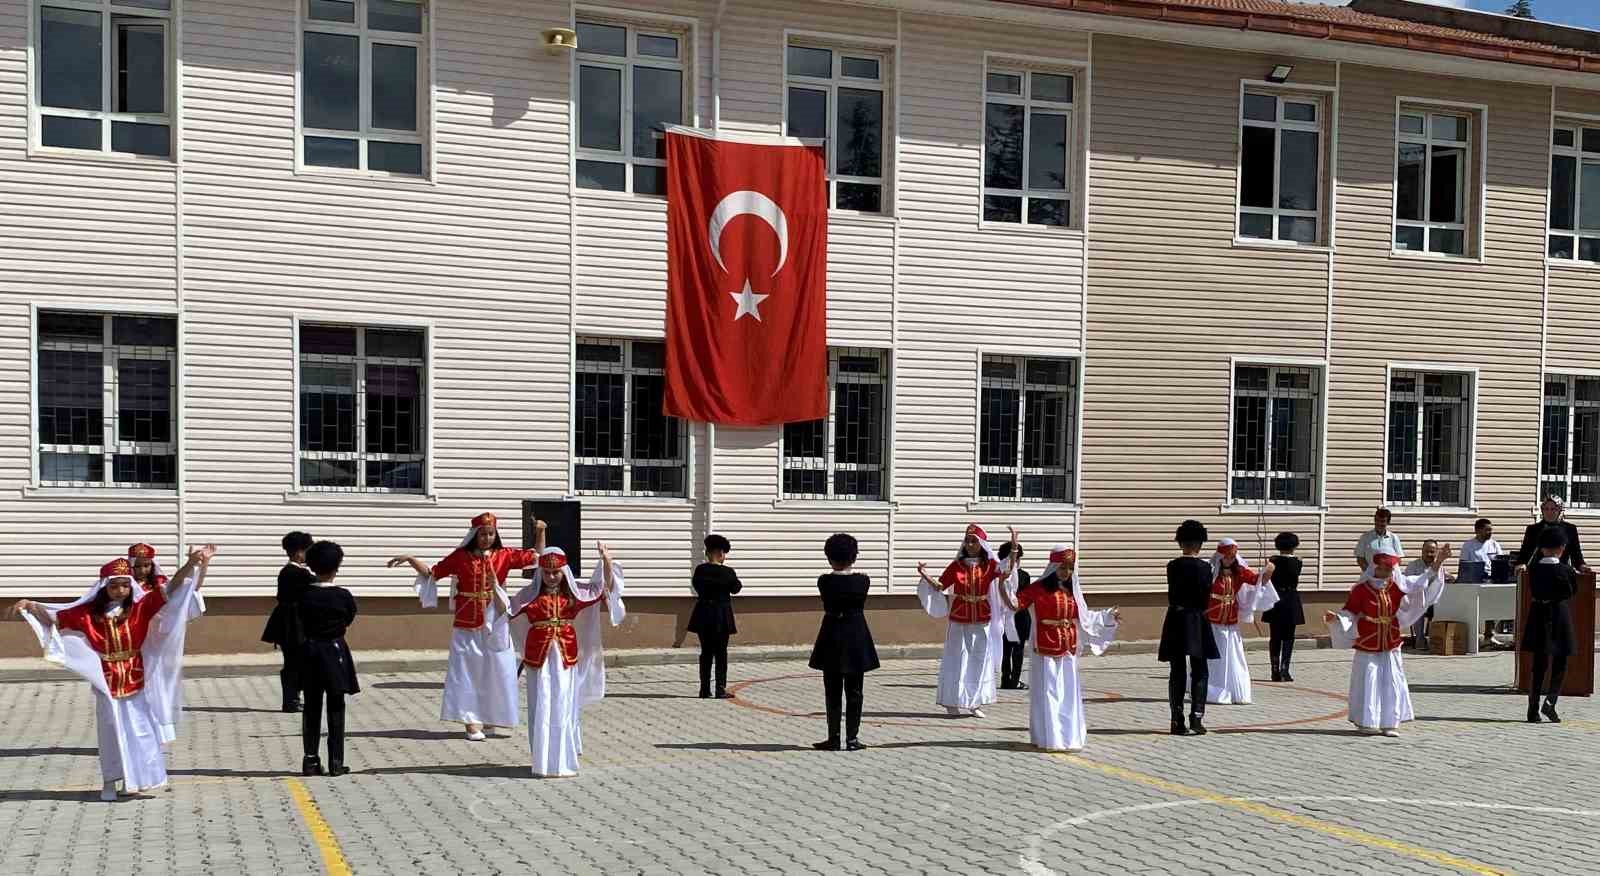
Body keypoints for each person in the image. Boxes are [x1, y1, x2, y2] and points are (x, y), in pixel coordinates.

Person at [8, 545, 216, 800]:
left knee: (140, 729)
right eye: (115, 586)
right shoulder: (86, 614)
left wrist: (193, 564)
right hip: (106, 679)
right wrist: (30, 606)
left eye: (125, 585)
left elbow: (171, 589)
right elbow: (55, 618)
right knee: (111, 732)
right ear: (104, 587)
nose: (120, 591)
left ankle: (140, 779)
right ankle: (111, 780)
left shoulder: (141, 607)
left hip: (135, 675)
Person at [389, 513, 546, 741]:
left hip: (496, 620)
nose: (487, 538)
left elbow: (537, 557)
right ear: (474, 534)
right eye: (483, 534)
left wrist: (540, 532)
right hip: (467, 622)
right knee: (467, 671)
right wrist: (411, 559)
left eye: (491, 534)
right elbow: (433, 573)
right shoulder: (460, 557)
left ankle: (494, 716)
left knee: (499, 668)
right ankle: (471, 720)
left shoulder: (505, 555)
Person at [507, 543, 624, 778]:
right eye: (547, 572)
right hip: (537, 658)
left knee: (562, 703)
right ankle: (542, 761)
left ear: (564, 571)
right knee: (541, 702)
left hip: (564, 657)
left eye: (556, 572)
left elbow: (604, 588)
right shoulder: (528, 597)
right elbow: (505, 611)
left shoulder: (575, 594)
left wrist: (606, 561)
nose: (551, 577)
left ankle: (562, 760)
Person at [997, 546, 1118, 752]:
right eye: (1063, 567)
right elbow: (1015, 605)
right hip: (1045, 647)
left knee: (1068, 692)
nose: (1066, 572)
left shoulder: (1073, 590)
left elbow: (1085, 617)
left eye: (1070, 568)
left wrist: (1107, 617)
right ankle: (1050, 737)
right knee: (1050, 691)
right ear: (1053, 567)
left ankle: (1069, 736)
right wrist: (1002, 584)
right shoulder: (1038, 588)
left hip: (1068, 647)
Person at [1323, 545, 1450, 737]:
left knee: (1391, 680)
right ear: (1374, 568)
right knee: (1369, 679)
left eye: (1390, 570)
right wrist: (1337, 618)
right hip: (1368, 641)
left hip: (1390, 639)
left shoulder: (1396, 587)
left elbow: (1420, 583)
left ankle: (1391, 722)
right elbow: (1350, 611)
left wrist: (1439, 562)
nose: (1386, 573)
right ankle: (1367, 721)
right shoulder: (1360, 590)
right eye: (1382, 569)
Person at [915, 524, 1020, 718]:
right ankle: (951, 701)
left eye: (974, 541)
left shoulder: (989, 565)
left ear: (982, 544)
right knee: (957, 659)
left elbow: (1008, 569)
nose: (970, 544)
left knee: (979, 660)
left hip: (982, 617)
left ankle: (975, 702)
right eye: (968, 541)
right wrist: (924, 575)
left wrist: (1014, 546)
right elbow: (941, 585)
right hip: (959, 617)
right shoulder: (957, 566)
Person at [128, 542, 204, 745]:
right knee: (134, 688)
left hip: (153, 641)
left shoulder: (158, 584)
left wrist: (197, 564)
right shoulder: (122, 585)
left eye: (147, 565)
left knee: (155, 684)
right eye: (138, 565)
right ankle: (134, 731)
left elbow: (187, 586)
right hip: (130, 642)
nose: (142, 570)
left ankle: (156, 730)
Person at [808, 533, 879, 752]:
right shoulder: (863, 581)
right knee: (855, 690)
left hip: (831, 636)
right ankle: (852, 738)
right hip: (856, 637)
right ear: (854, 557)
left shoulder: (824, 581)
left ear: (829, 557)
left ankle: (833, 737)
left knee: (832, 690)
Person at [298, 540, 359, 777]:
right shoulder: (343, 596)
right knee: (336, 706)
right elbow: (348, 618)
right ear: (337, 567)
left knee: (311, 707)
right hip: (335, 651)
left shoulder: (304, 596)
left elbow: (300, 619)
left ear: (312, 567)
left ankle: (310, 760)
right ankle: (336, 761)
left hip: (310, 651)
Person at [1204, 538, 1277, 706]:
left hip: (1230, 621)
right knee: (1215, 657)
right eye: (1227, 556)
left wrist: (1269, 570)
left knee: (1234, 656)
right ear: (1220, 556)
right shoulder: (1210, 572)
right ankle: (1213, 690)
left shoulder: (1240, 571)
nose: (1230, 560)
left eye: (1232, 556)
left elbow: (1257, 581)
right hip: (1213, 621)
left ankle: (1236, 690)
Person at [1161, 520, 1217, 736]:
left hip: (1175, 617)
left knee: (1177, 670)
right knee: (1200, 670)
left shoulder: (1172, 566)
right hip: (1197, 618)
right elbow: (1205, 596)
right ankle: (1197, 716)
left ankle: (1176, 719)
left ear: (1181, 543)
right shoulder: (1205, 568)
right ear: (1200, 544)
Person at [1522, 526, 1578, 724]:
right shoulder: (1566, 569)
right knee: (1560, 660)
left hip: (1538, 613)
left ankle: (1532, 708)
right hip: (1559, 615)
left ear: (1542, 548)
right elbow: (1572, 592)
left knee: (1539, 664)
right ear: (1562, 548)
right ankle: (1551, 702)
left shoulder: (1534, 568)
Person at [262, 531, 315, 713]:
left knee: (296, 661)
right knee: (294, 662)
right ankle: (291, 700)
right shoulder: (295, 573)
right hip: (292, 624)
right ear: (299, 552)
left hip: (292, 622)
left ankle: (294, 698)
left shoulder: (293, 571)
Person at [687, 533, 742, 699]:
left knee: (706, 652)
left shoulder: (700, 570)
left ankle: (704, 689)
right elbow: (736, 588)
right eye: (724, 553)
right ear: (719, 553)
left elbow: (696, 586)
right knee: (721, 653)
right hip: (721, 615)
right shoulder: (728, 572)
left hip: (703, 613)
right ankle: (720, 688)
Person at [1263, 532, 1305, 683]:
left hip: (1275, 599)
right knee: (1288, 637)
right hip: (1291, 600)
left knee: (1275, 636)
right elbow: (1295, 570)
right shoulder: (1297, 561)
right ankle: (1285, 670)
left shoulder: (1273, 561)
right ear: (1294, 546)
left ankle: (1274, 670)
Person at [1516, 495, 1589, 574]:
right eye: (1546, 509)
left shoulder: (1570, 529)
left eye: (1553, 509)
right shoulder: (1533, 530)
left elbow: (1576, 556)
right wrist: (1521, 565)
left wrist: (1582, 566)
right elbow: (1524, 554)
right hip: (1537, 573)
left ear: (1560, 510)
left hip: (1562, 572)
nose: (1549, 512)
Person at [1404, 540, 1451, 649]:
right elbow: (1408, 585)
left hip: (1434, 603)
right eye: (1427, 552)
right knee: (1418, 606)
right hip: (1416, 601)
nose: (1430, 555)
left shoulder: (1439, 566)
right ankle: (1420, 640)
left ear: (1436, 552)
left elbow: (1449, 577)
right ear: (1422, 552)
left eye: (1432, 552)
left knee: (1449, 607)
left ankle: (1441, 641)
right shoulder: (1413, 565)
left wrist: (1450, 579)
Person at [998, 542, 1031, 691]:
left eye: (1017, 558)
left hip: (1019, 616)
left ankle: (1013, 680)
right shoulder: (1000, 574)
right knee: (1007, 650)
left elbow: (1025, 597)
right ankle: (1007, 679)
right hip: (1007, 615)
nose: (1016, 561)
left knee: (1016, 649)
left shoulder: (1024, 575)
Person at [1354, 507, 1404, 572]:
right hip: (1369, 577)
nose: (1379, 523)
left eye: (1382, 521)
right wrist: (1370, 573)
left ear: (1388, 522)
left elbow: (1398, 559)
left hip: (1388, 577)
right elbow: (1360, 559)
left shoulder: (1394, 538)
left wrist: (1389, 572)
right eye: (1377, 520)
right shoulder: (1365, 537)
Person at [1458, 518, 1504, 583]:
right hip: (1474, 580)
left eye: (1491, 530)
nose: (1491, 532)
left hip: (1493, 579)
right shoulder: (1468, 545)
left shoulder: (1495, 544)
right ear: (1478, 530)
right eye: (1487, 530)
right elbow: (1464, 567)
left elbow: (1501, 563)